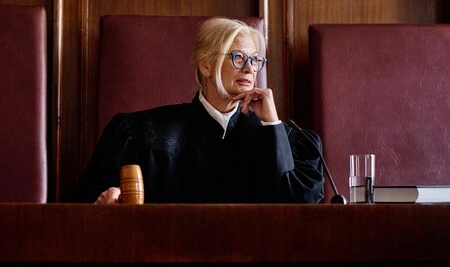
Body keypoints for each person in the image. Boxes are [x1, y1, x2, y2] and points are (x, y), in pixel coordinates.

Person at [73, 17, 325, 204]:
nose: (250, 69)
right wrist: (103, 202)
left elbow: (299, 212)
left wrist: (273, 126)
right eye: (238, 57)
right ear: (206, 65)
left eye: (256, 60)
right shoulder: (140, 132)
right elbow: (84, 202)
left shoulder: (292, 140)